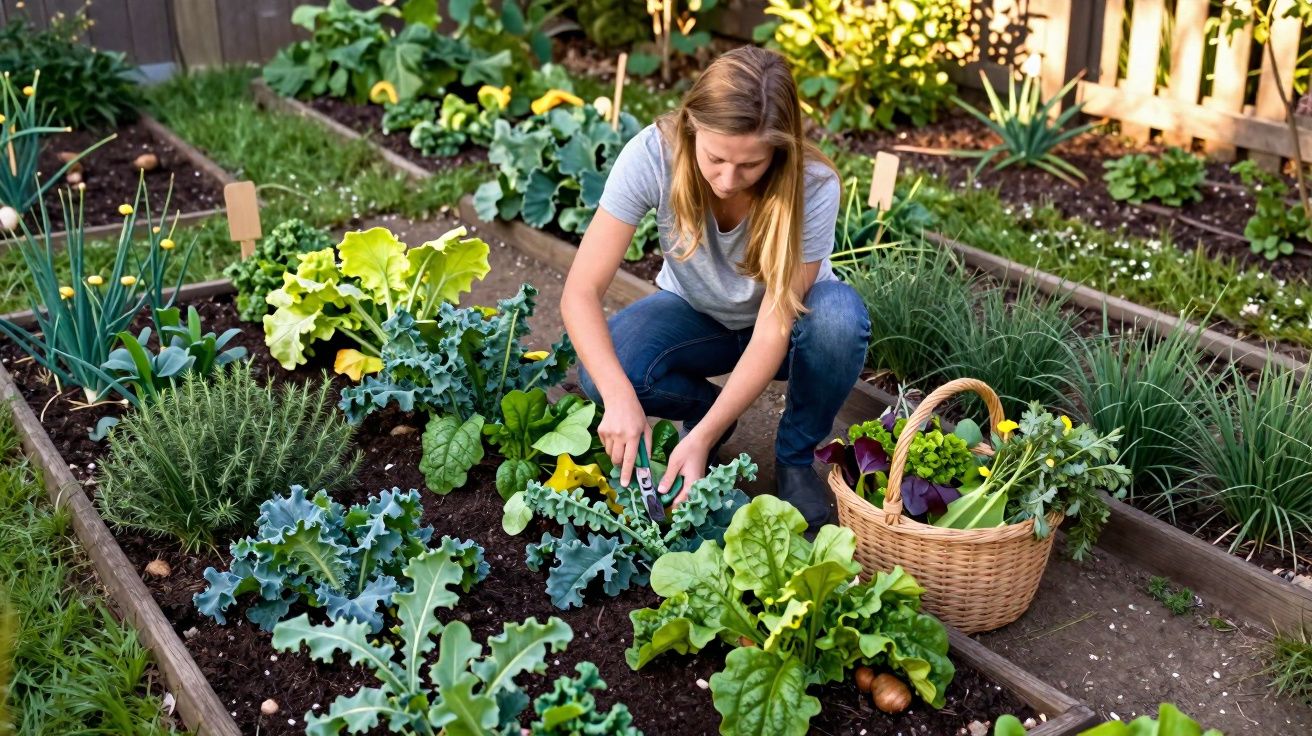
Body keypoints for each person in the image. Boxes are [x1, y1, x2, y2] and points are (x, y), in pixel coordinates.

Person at [560, 45, 871, 535]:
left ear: (779, 151)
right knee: (608, 372)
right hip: (695, 316)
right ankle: (708, 413)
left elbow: (773, 328)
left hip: (790, 331)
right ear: (691, 126)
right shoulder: (653, 154)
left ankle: (793, 458)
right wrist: (621, 400)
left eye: (750, 165)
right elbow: (581, 290)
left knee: (839, 319)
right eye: (716, 158)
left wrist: (699, 440)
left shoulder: (812, 185)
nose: (728, 179)